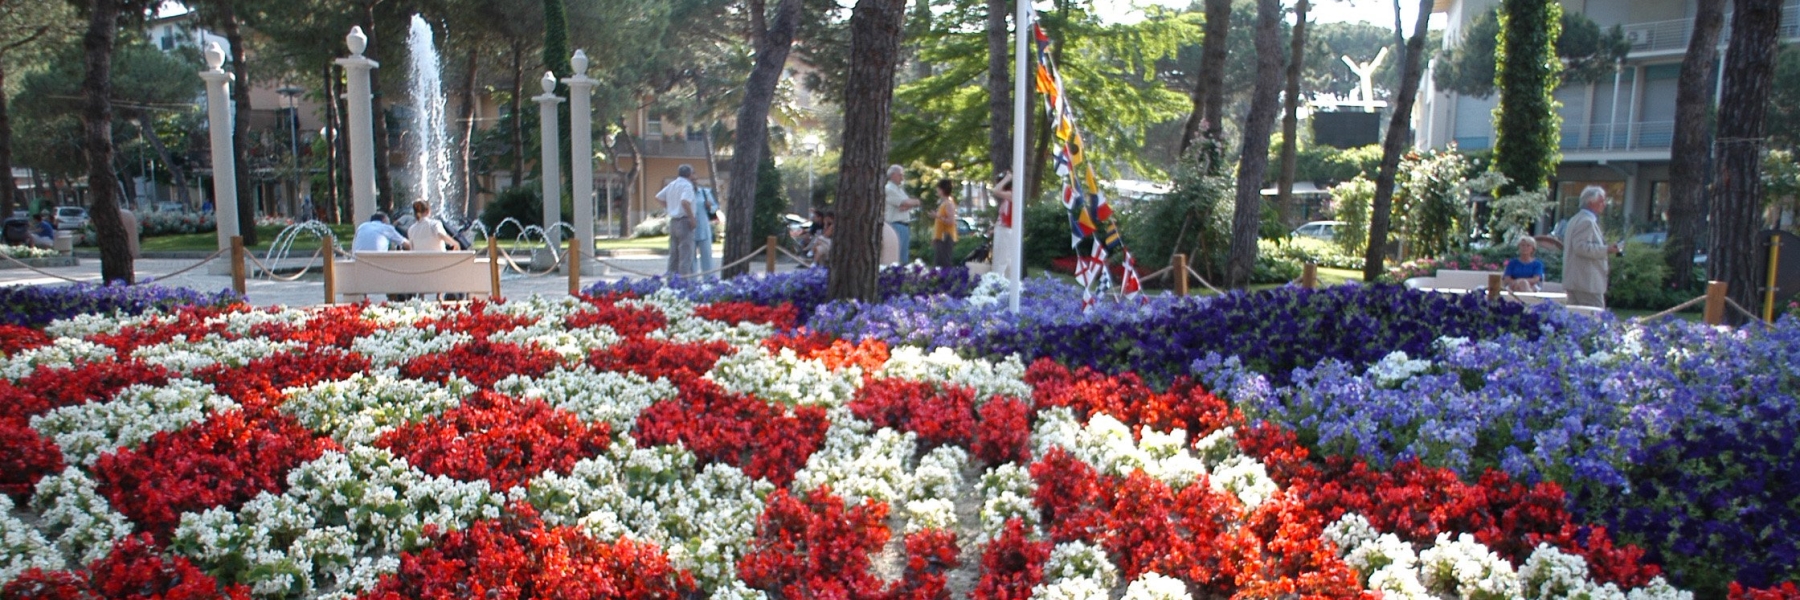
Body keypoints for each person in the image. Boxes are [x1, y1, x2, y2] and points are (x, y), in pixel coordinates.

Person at [1561, 186, 1621, 308]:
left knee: (1576, 320)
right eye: (1601, 201)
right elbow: (1580, 247)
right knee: (1595, 318)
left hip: (1576, 281)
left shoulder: (1575, 219)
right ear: (1590, 202)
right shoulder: (1586, 221)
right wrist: (1607, 249)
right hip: (1587, 283)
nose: (1604, 204)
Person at [655, 164, 698, 276]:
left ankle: (671, 281)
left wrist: (670, 207)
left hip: (673, 221)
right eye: (693, 173)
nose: (694, 175)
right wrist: (692, 218)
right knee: (685, 255)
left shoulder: (672, 184)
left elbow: (658, 197)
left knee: (674, 255)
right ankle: (683, 283)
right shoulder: (687, 186)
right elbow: (685, 202)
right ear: (689, 174)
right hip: (684, 221)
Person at [884, 164, 921, 263]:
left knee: (904, 257)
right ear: (893, 175)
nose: (902, 177)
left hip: (904, 225)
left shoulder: (899, 189)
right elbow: (906, 203)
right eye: (900, 175)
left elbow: (908, 204)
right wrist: (912, 203)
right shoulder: (889, 189)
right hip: (895, 225)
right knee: (896, 257)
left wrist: (911, 203)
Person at [931, 178, 959, 268]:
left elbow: (951, 221)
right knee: (938, 261)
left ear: (942, 190)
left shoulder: (949, 204)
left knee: (944, 262)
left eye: (938, 189)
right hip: (940, 237)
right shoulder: (943, 203)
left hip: (946, 236)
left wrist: (938, 216)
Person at [693, 186, 719, 275]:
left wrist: (710, 207)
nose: (694, 182)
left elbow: (715, 206)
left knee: (707, 258)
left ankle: (709, 280)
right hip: (690, 230)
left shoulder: (705, 192)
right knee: (691, 260)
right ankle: (692, 282)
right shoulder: (686, 193)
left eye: (695, 179)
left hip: (704, 229)